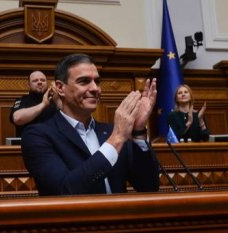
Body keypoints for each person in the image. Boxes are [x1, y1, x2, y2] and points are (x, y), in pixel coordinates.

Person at [21, 53, 159, 196]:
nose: (95, 88)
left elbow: (149, 186)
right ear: (60, 88)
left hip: (120, 216)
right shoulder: (37, 135)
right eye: (84, 81)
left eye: (97, 81)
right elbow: (64, 190)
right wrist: (116, 139)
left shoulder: (111, 131)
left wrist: (138, 131)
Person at [9, 70, 61, 137]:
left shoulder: (55, 100)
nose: (39, 82)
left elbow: (69, 119)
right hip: (30, 142)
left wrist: (57, 99)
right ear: (29, 85)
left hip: (53, 142)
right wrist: (43, 104)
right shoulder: (23, 100)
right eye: (35, 81)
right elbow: (17, 119)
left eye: (43, 80)